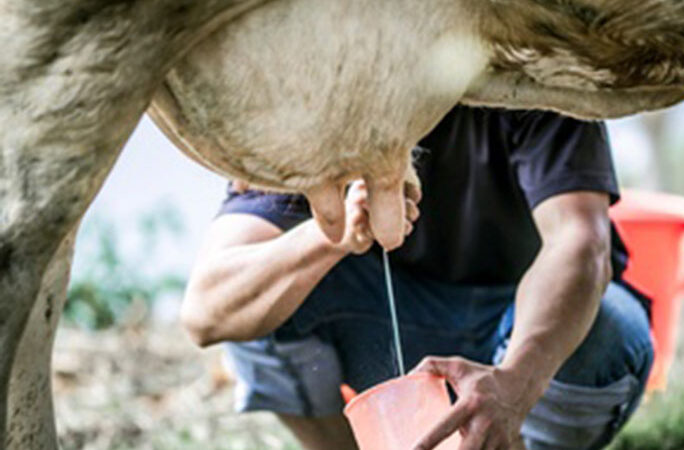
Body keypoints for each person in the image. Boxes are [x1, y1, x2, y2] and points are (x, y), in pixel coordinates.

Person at [181, 106, 654, 450]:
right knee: (258, 303)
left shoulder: (536, 70)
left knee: (608, 328)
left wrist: (516, 383)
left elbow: (581, 243)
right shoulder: (314, 107)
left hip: (526, 333)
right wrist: (332, 236)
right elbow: (207, 310)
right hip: (397, 341)